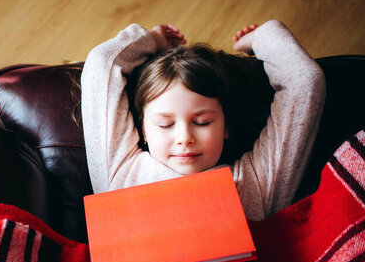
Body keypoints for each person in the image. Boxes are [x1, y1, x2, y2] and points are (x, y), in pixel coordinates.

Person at [80, 20, 326, 221]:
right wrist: (152, 40)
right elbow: (102, 65)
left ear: (226, 126)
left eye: (202, 122)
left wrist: (264, 38)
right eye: (165, 125)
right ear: (143, 129)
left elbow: (304, 82)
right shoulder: (122, 175)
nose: (184, 138)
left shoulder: (256, 185)